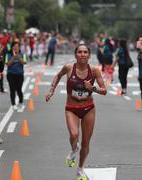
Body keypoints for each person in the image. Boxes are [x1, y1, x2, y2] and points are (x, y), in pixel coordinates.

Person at [45, 44, 107, 180]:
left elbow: (104, 91)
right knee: (74, 134)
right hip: (71, 108)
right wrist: (51, 90)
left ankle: (80, 169)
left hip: (88, 108)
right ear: (75, 55)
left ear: (89, 55)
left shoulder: (95, 71)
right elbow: (57, 76)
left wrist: (93, 88)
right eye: (80, 52)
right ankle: (73, 151)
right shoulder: (68, 68)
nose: (82, 54)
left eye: (85, 52)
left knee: (85, 142)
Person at [5, 41, 27, 110]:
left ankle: (20, 101)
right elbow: (7, 64)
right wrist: (13, 57)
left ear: (19, 48)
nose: (15, 48)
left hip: (19, 74)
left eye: (17, 47)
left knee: (19, 89)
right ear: (12, 48)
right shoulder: (8, 55)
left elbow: (24, 63)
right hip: (11, 74)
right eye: (14, 46)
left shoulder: (22, 54)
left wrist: (18, 56)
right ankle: (13, 104)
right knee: (12, 90)